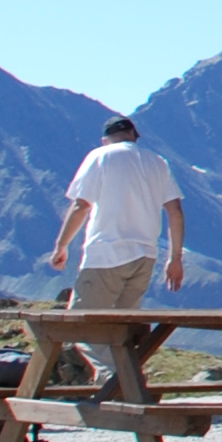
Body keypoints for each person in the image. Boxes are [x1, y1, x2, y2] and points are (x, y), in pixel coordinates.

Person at [45, 114, 183, 306]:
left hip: (106, 253)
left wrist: (61, 245)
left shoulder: (101, 156)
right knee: (124, 322)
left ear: (104, 140)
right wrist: (175, 259)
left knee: (84, 321)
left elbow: (81, 206)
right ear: (133, 135)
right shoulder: (158, 162)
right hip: (145, 256)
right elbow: (175, 212)